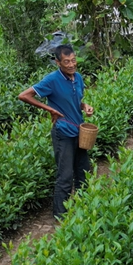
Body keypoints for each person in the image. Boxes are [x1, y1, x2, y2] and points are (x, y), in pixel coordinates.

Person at [17, 44, 95, 219]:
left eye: (73, 60)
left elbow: (76, 101)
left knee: (83, 172)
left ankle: (85, 206)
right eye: (66, 61)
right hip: (63, 133)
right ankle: (60, 216)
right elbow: (24, 95)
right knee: (65, 175)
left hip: (79, 132)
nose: (71, 64)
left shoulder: (78, 78)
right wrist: (49, 109)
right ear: (57, 62)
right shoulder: (52, 80)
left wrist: (85, 107)